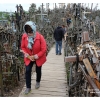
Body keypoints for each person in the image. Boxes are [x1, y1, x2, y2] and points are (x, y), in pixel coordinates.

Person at [20, 21, 47, 94]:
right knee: (28, 70)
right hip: (29, 57)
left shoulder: (40, 37)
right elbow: (23, 47)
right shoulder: (24, 36)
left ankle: (38, 81)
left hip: (38, 56)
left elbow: (44, 49)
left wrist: (36, 56)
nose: (29, 32)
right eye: (27, 30)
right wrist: (27, 55)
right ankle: (28, 87)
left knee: (38, 70)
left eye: (30, 30)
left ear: (34, 29)